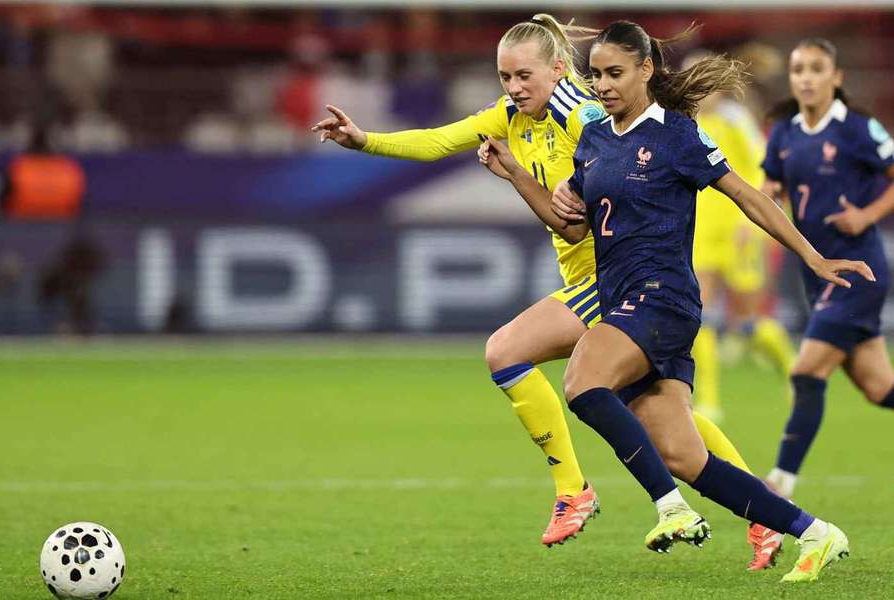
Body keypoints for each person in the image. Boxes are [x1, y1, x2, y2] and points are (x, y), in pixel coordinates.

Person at [312, 15, 781, 567]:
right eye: (505, 77)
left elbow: (636, 159)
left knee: (505, 351)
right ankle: (766, 516)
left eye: (523, 76)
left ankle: (573, 490)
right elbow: (438, 141)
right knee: (667, 422)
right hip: (597, 279)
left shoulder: (584, 116)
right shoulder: (509, 116)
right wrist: (363, 139)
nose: (513, 88)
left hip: (613, 279)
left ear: (558, 70)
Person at [479, 20, 871, 582]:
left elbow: (748, 196)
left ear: (647, 71)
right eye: (596, 75)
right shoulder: (593, 142)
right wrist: (515, 173)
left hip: (662, 299)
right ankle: (816, 532)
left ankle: (671, 509)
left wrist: (813, 257)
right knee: (686, 458)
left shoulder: (677, 135)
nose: (605, 84)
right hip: (622, 303)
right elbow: (570, 229)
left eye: (616, 72)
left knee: (583, 381)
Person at [760, 38, 894, 500]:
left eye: (817, 68)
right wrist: (768, 195)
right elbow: (771, 185)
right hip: (816, 274)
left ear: (835, 78)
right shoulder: (784, 133)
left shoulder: (858, 129)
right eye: (798, 69)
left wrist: (866, 216)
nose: (807, 77)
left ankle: (780, 483)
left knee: (806, 372)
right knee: (880, 390)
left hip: (858, 273)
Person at [685, 61, 795, 423]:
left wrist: (758, 218)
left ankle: (793, 373)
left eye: (705, 81)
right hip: (700, 231)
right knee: (697, 314)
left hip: (738, 229)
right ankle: (709, 399)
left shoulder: (736, 120)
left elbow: (765, 166)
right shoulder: (681, 121)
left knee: (747, 321)